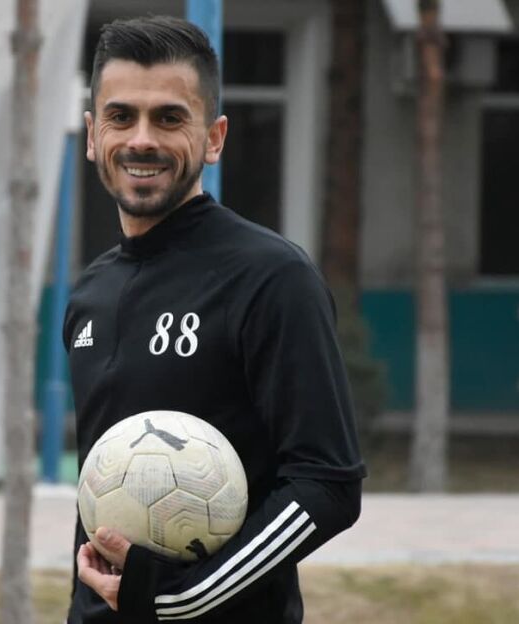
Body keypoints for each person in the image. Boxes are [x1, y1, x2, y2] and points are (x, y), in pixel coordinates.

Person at [64, 16, 366, 624]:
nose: (141, 140)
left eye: (169, 118)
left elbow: (328, 484)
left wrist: (178, 598)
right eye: (121, 116)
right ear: (93, 135)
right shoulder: (90, 293)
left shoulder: (271, 278)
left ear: (214, 137)